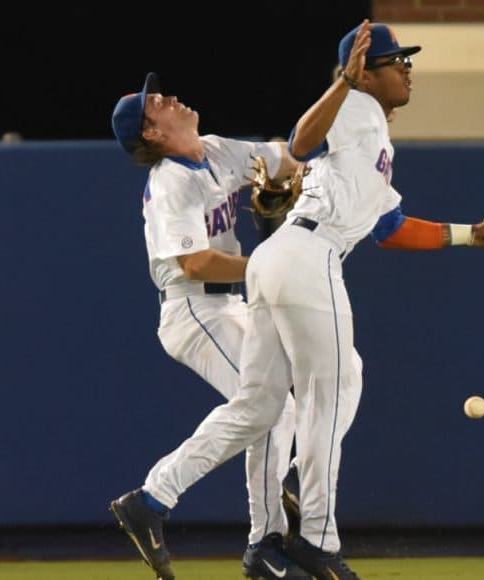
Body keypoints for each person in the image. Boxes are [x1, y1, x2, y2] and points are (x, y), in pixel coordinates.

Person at [113, 21, 484, 580]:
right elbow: (298, 146)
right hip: (210, 297)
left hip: (267, 273)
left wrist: (477, 234)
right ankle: (309, 536)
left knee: (304, 391)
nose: (408, 69)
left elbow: (370, 213)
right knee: (306, 405)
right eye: (398, 61)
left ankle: (163, 502)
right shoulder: (351, 107)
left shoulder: (229, 149)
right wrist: (342, 87)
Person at [108, 72, 309, 580]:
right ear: (151, 133)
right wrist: (271, 263)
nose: (170, 97)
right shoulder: (172, 181)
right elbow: (196, 263)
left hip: (230, 305)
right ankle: (171, 502)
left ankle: (173, 508)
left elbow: (288, 155)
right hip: (193, 310)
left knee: (277, 405)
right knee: (270, 407)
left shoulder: (215, 150)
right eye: (158, 102)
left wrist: (313, 171)